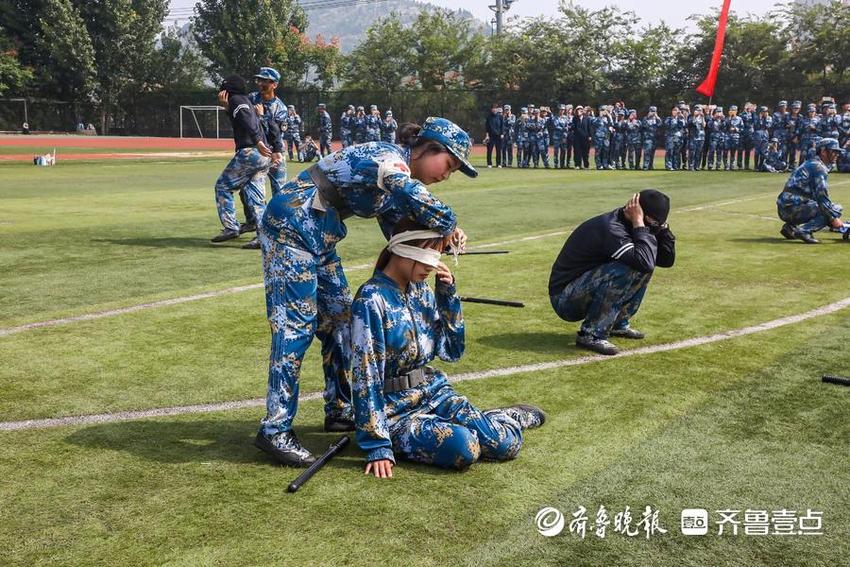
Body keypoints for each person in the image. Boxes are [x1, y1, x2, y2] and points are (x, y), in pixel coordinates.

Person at [254, 117, 474, 467]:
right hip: (290, 227)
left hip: (319, 238)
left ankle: (339, 407)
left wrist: (434, 240)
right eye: (448, 164)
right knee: (294, 329)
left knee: (342, 320)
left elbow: (399, 236)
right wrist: (446, 222)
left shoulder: (391, 184)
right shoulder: (388, 160)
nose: (447, 175)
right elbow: (413, 194)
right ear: (429, 148)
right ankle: (275, 430)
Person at [351, 223, 545, 476]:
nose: (432, 266)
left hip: (434, 392)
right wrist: (377, 444)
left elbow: (450, 351)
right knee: (465, 448)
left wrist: (447, 297)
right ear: (403, 251)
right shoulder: (371, 299)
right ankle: (473, 425)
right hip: (394, 413)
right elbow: (365, 374)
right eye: (427, 256)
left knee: (506, 445)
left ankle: (506, 417)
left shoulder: (421, 290)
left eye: (438, 256)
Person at [549, 190, 676, 356]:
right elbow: (643, 262)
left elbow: (665, 261)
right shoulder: (612, 228)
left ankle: (617, 323)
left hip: (583, 288)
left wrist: (664, 231)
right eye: (652, 223)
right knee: (629, 267)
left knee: (644, 262)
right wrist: (639, 224)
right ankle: (592, 334)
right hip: (564, 298)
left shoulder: (641, 225)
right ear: (637, 211)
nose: (653, 228)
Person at [211, 75, 278, 243]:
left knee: (223, 187)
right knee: (255, 197)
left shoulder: (237, 100)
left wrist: (257, 140)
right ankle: (263, 237)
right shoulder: (244, 100)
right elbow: (246, 120)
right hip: (263, 155)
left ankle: (231, 227)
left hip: (251, 151)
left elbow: (246, 119)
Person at [239, 67, 287, 250]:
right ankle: (253, 223)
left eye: (265, 81)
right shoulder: (252, 98)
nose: (260, 83)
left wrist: (261, 116)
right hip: (257, 153)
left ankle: (281, 230)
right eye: (259, 80)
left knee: (280, 194)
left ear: (274, 84)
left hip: (275, 153)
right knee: (247, 189)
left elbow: (275, 132)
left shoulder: (280, 108)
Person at [777, 138, 844, 244]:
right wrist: (833, 219)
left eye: (837, 152)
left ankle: (790, 227)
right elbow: (822, 197)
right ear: (823, 151)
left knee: (824, 207)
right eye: (834, 151)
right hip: (792, 209)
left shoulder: (811, 163)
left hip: (786, 208)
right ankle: (804, 231)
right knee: (836, 208)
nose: (837, 154)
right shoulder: (818, 168)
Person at [664, 107, 686, 171]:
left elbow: (683, 125)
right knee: (669, 151)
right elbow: (667, 125)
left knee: (676, 152)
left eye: (676, 110)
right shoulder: (669, 119)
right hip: (670, 137)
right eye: (674, 110)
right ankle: (669, 166)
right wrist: (674, 120)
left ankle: (675, 166)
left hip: (678, 138)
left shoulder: (679, 119)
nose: (675, 112)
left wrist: (682, 117)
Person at [641, 106, 661, 170]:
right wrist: (647, 117)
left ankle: (650, 165)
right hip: (647, 138)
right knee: (647, 152)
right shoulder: (645, 118)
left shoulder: (656, 119)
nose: (653, 113)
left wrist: (657, 116)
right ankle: (645, 166)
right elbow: (643, 125)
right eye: (652, 111)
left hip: (654, 138)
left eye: (654, 111)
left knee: (652, 153)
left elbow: (660, 124)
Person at [688, 104, 706, 171]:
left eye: (700, 110)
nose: (699, 112)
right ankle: (691, 166)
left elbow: (704, 125)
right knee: (692, 152)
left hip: (701, 137)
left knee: (699, 152)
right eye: (698, 110)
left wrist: (703, 117)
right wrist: (695, 116)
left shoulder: (701, 117)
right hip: (693, 137)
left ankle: (697, 166)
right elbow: (691, 123)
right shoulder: (691, 117)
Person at [485, 102, 503, 168]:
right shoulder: (488, 117)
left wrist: (502, 134)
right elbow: (487, 127)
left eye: (495, 108)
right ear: (491, 109)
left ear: (497, 109)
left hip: (498, 136)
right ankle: (489, 163)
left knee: (498, 151)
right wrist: (487, 136)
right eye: (493, 108)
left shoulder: (500, 117)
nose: (494, 109)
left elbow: (502, 126)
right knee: (489, 150)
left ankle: (498, 164)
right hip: (491, 136)